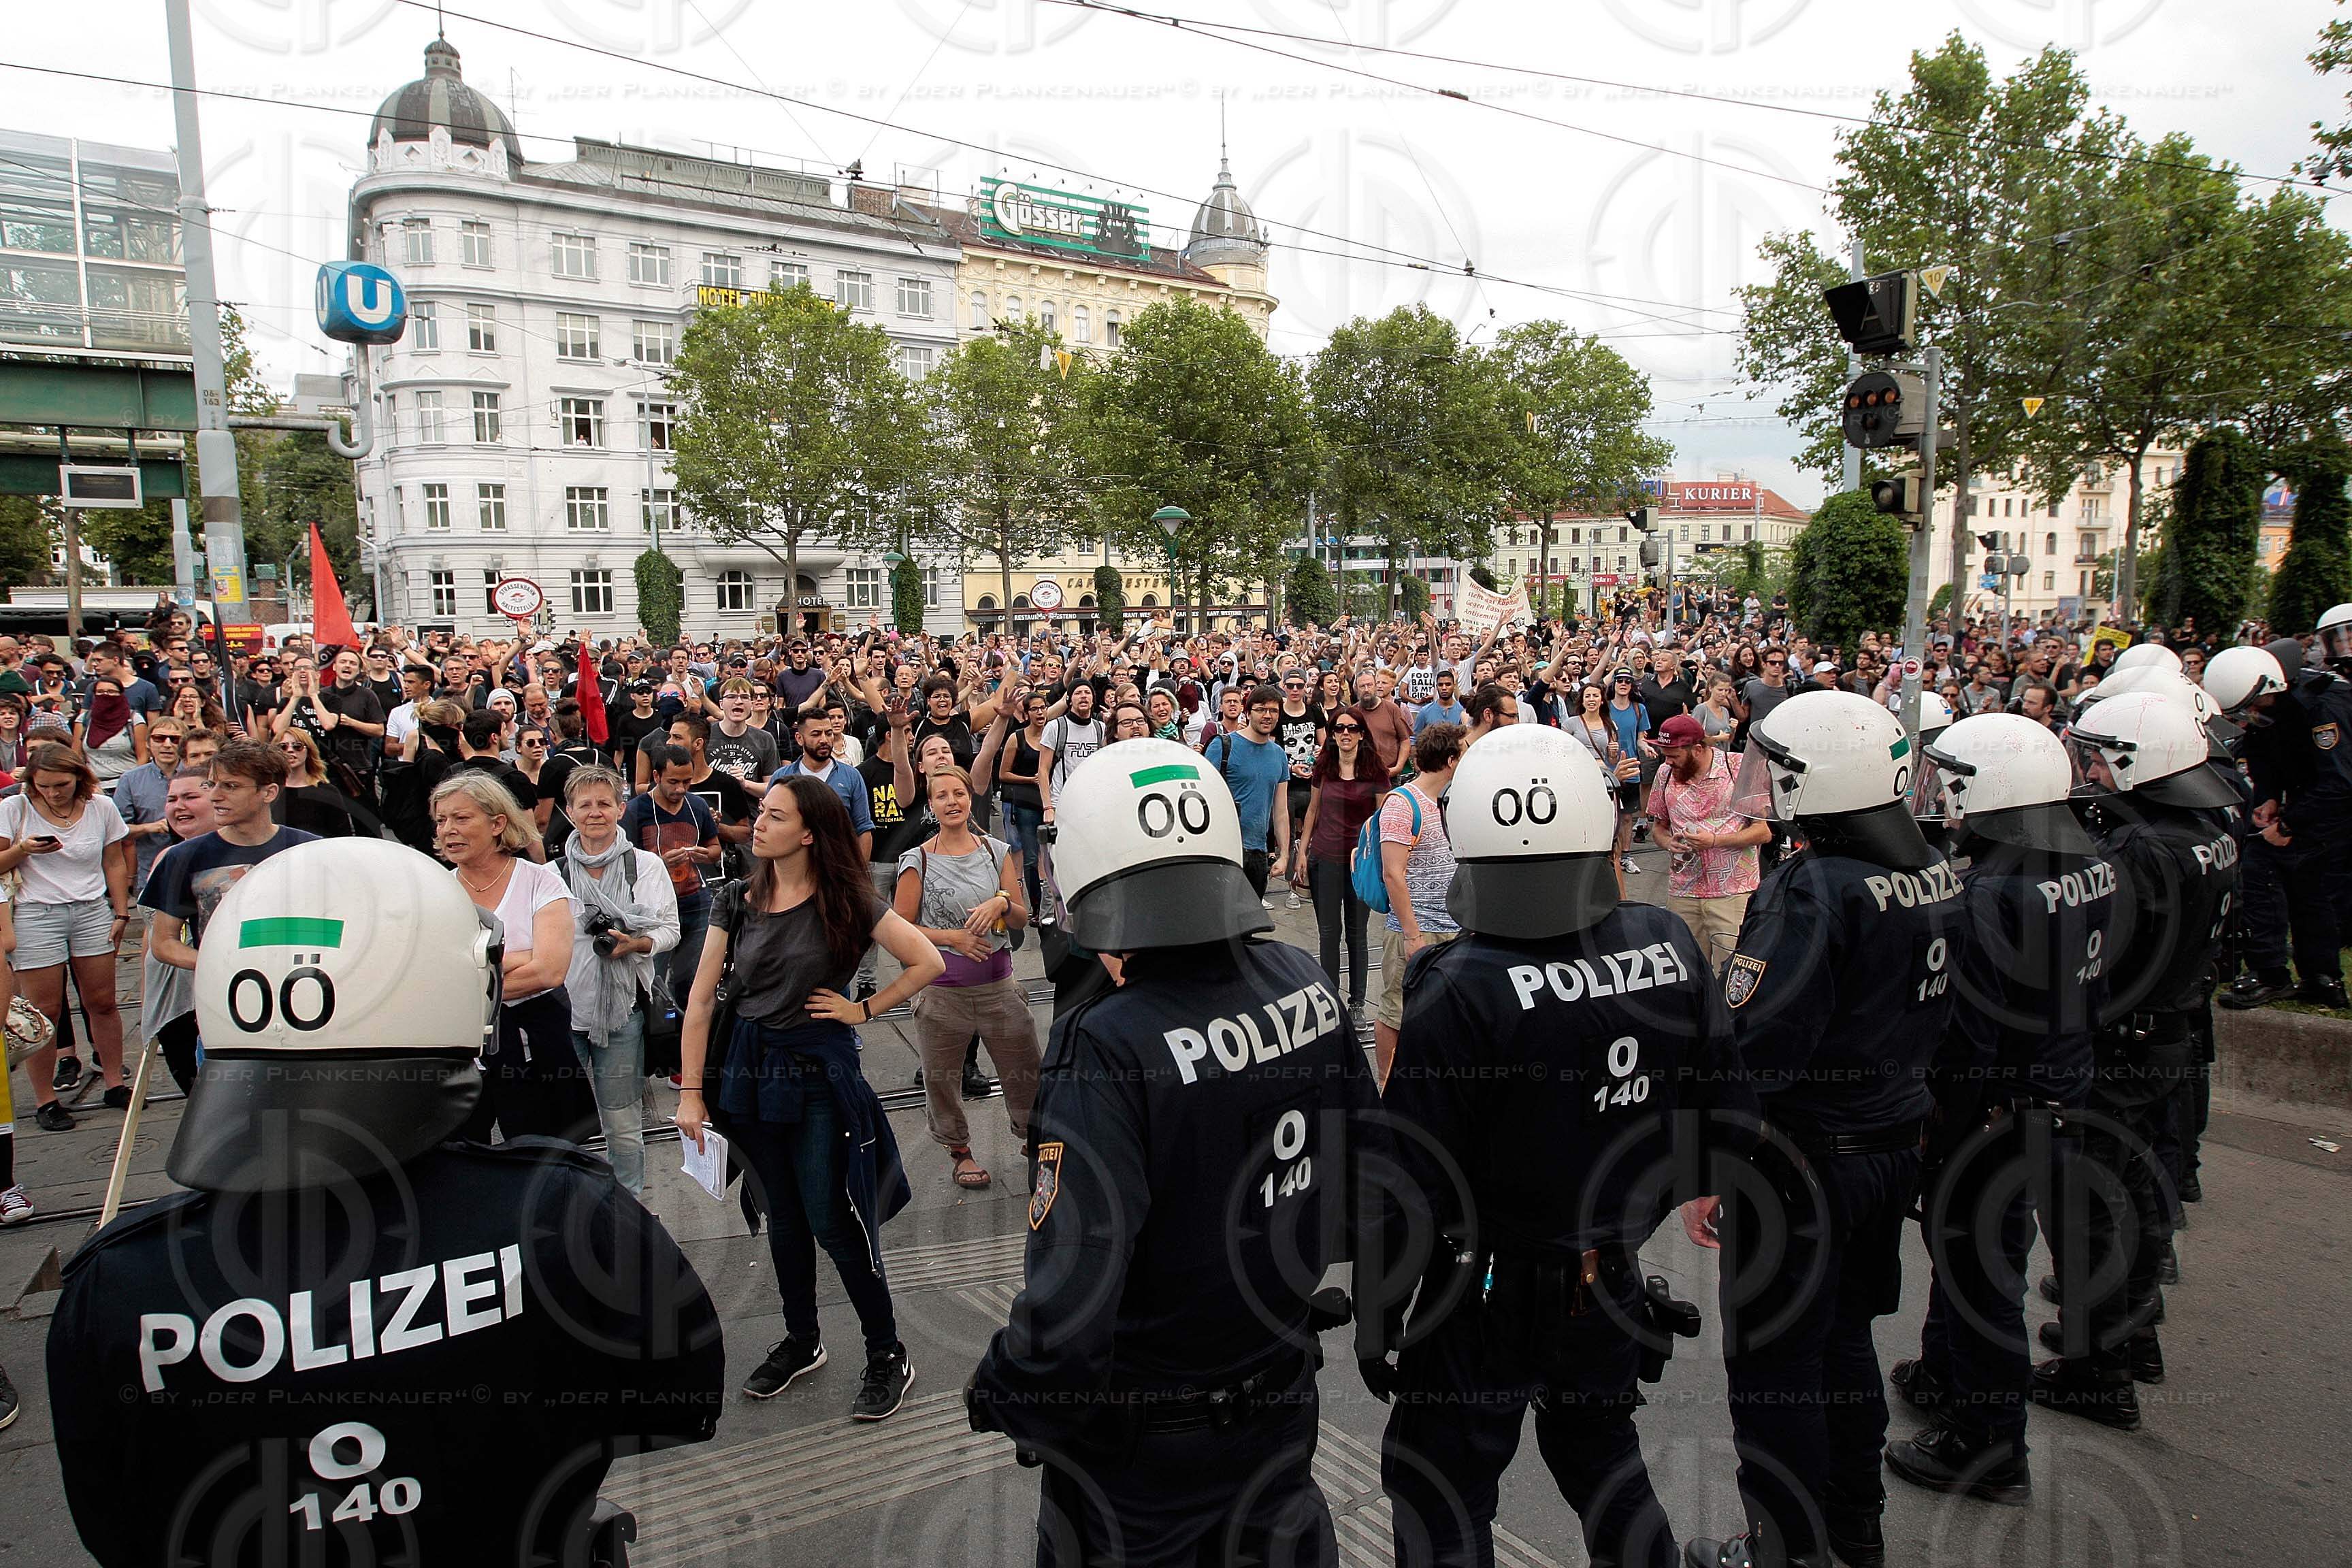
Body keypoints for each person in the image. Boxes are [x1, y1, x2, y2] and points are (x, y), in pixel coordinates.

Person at [50, 836, 723, 1567]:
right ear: (472, 990)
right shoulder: (561, 1212)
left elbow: (115, 1525)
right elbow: (675, 1401)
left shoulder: (116, 1288)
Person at [966, 736, 1379, 1566]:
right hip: (1279, 1399)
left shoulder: (1107, 1043)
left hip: (1148, 1458)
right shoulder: (1303, 977)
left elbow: (1075, 1291)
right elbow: (1368, 1190)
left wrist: (1009, 1389)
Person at [1368, 724, 1738, 1568]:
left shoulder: (1455, 982)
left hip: (1484, 1282)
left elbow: (1412, 1176)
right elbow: (1720, 1085)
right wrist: (1687, 1189)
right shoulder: (1665, 940)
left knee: (1440, 1479)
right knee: (1599, 1449)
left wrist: (1382, 1312)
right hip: (1608, 1264)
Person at [1681, 690, 1968, 1568]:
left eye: (1781, 769)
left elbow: (1757, 1045)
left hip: (1801, 1166)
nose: (1766, 784)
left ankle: (1784, 1547)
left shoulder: (1815, 888)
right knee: (1845, 1345)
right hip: (1887, 1147)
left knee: (1773, 1370)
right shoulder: (1933, 865)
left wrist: (1707, 1159)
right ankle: (1853, 1524)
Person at [1883, 713, 2113, 1503]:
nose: (1943, 796)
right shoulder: (2086, 865)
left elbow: (1966, 1035)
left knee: (1983, 1270)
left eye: (1956, 782)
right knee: (1982, 1255)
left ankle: (1988, 1445)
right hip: (2060, 1087)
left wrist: (1936, 1124)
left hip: (1997, 1108)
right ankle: (1945, 1374)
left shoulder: (1987, 891)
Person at [674, 776, 943, 1417]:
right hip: (749, 1072)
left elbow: (926, 959)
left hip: (818, 1076)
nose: (757, 825)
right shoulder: (736, 898)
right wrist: (690, 1095)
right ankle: (803, 1340)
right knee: (783, 1217)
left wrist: (864, 1009)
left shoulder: (847, 898)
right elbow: (701, 999)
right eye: (760, 813)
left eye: (773, 816)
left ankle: (888, 1352)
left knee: (832, 1217)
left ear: (809, 832)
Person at [2031, 692, 2238, 1430]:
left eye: (2097, 755)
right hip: (2172, 1035)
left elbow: (2098, 957)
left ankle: (2099, 1373)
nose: (2087, 766)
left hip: (2122, 1045)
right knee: (2144, 1192)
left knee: (2092, 1207)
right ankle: (2131, 1337)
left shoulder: (2140, 851)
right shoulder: (2206, 830)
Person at [893, 763, 1041, 1190]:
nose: (952, 802)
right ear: (931, 804)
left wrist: (1000, 904)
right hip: (942, 994)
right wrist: (952, 938)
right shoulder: (916, 860)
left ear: (970, 797)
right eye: (942, 796)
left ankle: (1034, 1145)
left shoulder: (994, 851)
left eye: (958, 793)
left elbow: (1021, 914)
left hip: (999, 987)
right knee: (942, 1079)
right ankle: (960, 1151)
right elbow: (899, 928)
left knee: (1025, 1073)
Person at [140, 740, 319, 1092]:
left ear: (269, 792)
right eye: (212, 784)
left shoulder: (312, 850)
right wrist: (218, 964)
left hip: (306, 1004)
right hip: (224, 1011)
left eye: (231, 786)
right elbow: (162, 943)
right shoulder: (183, 858)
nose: (216, 796)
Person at [434, 771, 590, 1145]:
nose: (448, 830)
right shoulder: (435, 891)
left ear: (497, 823)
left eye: (461, 818)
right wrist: (518, 957)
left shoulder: (540, 881)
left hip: (538, 1042)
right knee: (463, 1160)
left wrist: (468, 978)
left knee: (547, 1159)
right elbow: (426, 973)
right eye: (441, 820)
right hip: (461, 1050)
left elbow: (550, 970)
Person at [2205, 643, 2352, 1009]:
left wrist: (2287, 825)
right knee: (2309, 886)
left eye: (2254, 707)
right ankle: (2321, 978)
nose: (2252, 715)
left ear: (2271, 686)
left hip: (2335, 806)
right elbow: (2261, 749)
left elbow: (2339, 782)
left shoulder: (2323, 706)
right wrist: (2269, 796)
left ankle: (2272, 973)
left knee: (2265, 869)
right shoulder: (2275, 706)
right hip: (2313, 800)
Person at [558, 764, 679, 1196]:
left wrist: (635, 945)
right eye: (585, 805)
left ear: (621, 809)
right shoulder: (551, 875)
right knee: (566, 1124)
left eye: (604, 804)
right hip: (566, 1013)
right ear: (569, 812)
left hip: (624, 1011)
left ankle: (630, 1207)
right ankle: (572, 1206)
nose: (595, 813)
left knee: (622, 1123)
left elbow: (669, 929)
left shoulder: (644, 866)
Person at [0, 744, 133, 1124]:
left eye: (61, 784)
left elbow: (114, 860)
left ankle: (113, 1081)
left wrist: (120, 910)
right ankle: (45, 1100)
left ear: (79, 778)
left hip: (90, 908)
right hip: (36, 911)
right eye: (43, 786)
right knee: (46, 1010)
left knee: (103, 1001)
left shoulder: (100, 807)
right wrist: (23, 850)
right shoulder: (15, 808)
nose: (53, 792)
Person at [1375, 723, 1465, 1083]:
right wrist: (1413, 937)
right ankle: (1388, 1086)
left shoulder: (1453, 802)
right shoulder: (1403, 803)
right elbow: (1393, 874)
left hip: (1452, 928)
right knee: (1396, 1011)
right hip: (1415, 931)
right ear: (1450, 760)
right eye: (1465, 753)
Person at [1646, 713, 1768, 964]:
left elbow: (1763, 832)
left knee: (1730, 971)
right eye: (1664, 754)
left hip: (1732, 892)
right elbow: (1658, 829)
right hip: (1683, 892)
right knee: (1688, 970)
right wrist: (1669, 842)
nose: (1667, 761)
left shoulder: (1739, 768)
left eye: (1674, 755)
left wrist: (1714, 841)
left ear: (1698, 750)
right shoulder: (1665, 774)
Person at [1294, 706, 1382, 1031]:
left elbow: (1381, 820)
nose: (1345, 733)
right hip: (1325, 858)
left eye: (1352, 728)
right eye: (1339, 728)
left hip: (1359, 863)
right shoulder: (1324, 768)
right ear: (1332, 734)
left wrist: (1382, 862)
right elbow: (1313, 811)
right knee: (1329, 935)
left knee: (1358, 935)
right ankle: (1331, 1001)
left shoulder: (1375, 769)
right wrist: (1302, 852)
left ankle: (1357, 1003)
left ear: (1361, 733)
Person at [1202, 685, 1293, 901]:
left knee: (1250, 927)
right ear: (1248, 711)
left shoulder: (1279, 755)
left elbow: (1280, 812)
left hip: (1258, 853)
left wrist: (1285, 855)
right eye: (1261, 709)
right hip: (1223, 850)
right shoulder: (1223, 746)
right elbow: (1202, 796)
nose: (1267, 716)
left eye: (1273, 711)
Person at [111, 715, 184, 893]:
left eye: (175, 739)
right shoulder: (131, 780)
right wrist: (150, 828)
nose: (167, 744)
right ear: (148, 743)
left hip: (196, 867)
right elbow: (116, 829)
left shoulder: (199, 775)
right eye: (159, 738)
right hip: (152, 871)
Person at [272, 729, 361, 838]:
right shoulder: (268, 791)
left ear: (308, 751)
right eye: (283, 747)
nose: (290, 750)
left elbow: (342, 835)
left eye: (297, 746)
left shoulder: (327, 791)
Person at [73, 674, 146, 792]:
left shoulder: (134, 720)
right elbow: (76, 755)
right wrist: (87, 781)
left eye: (111, 692)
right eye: (100, 692)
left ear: (120, 694)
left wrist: (132, 783)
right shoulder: (83, 720)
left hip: (128, 786)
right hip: (94, 787)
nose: (105, 695)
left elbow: (143, 756)